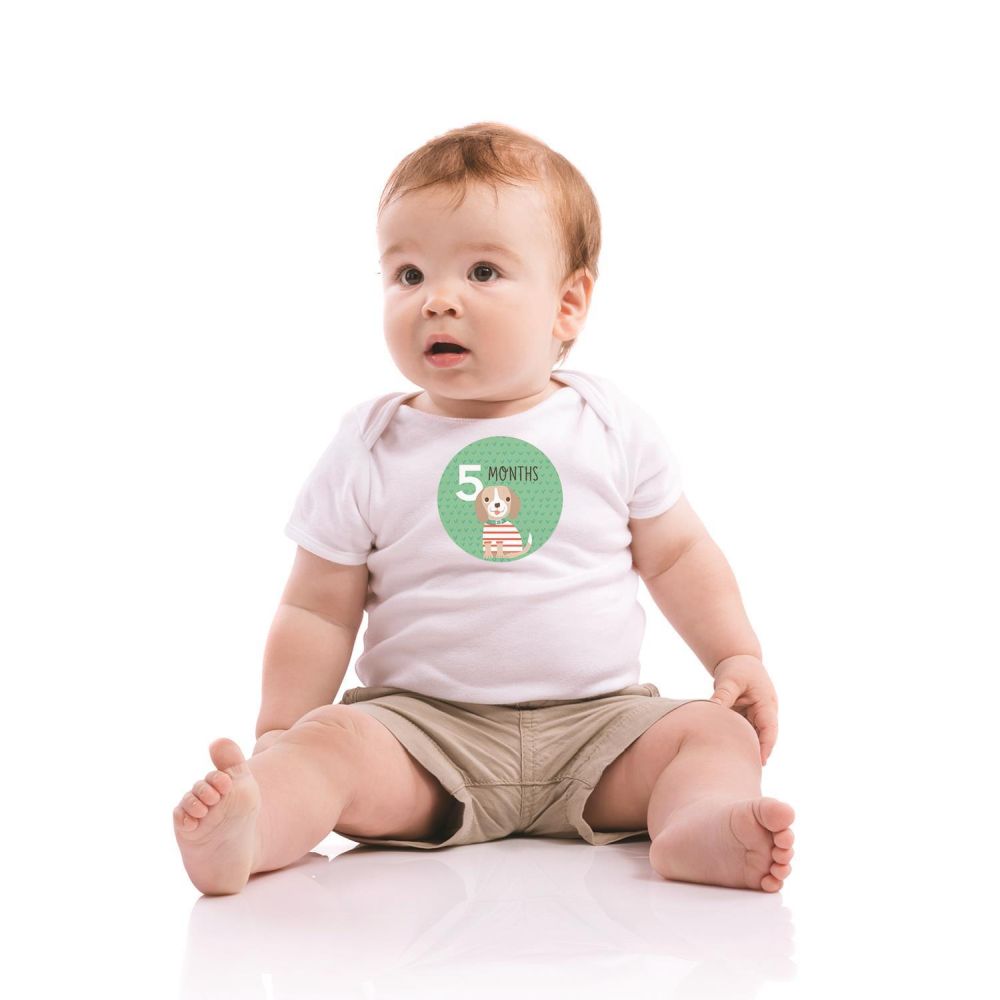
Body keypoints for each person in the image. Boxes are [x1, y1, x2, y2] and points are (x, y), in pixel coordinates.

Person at [172, 122, 795, 896]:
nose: (437, 300)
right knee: (329, 744)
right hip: (423, 739)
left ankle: (699, 824)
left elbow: (678, 556)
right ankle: (258, 823)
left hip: (599, 731)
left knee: (713, 734)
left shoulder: (608, 426)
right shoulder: (370, 447)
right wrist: (281, 733)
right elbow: (316, 609)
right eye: (407, 274)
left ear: (568, 304)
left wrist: (735, 656)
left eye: (483, 271)